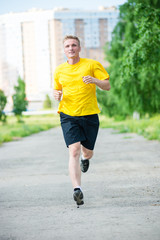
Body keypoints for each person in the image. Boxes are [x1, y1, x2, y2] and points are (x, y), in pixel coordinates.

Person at [53, 35, 110, 207]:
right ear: (64, 50)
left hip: (90, 114)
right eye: (67, 46)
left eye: (74, 45)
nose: (71, 48)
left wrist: (95, 80)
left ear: (79, 48)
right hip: (68, 115)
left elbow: (107, 85)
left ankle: (86, 159)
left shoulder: (91, 65)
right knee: (74, 150)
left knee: (87, 152)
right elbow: (57, 90)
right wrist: (56, 95)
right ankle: (77, 189)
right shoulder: (59, 70)